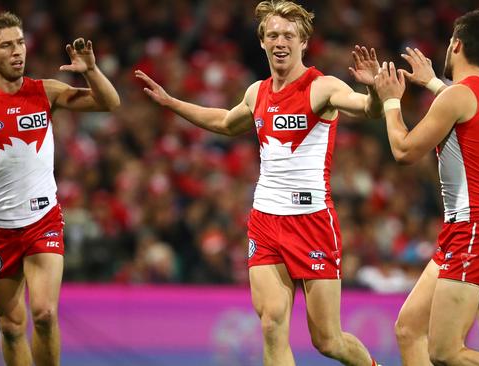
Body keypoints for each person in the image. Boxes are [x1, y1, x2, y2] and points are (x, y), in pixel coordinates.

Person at [135, 1, 383, 365]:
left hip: (312, 221)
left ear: (303, 43)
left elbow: (367, 108)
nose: (280, 41)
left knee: (327, 340)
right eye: (273, 35)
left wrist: (375, 90)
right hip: (265, 220)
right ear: (263, 43)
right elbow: (223, 121)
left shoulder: (322, 86)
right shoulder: (257, 92)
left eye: (288, 35)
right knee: (271, 324)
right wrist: (173, 103)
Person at [0, 12, 119, 365]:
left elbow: (110, 103)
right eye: (6, 46)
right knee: (12, 326)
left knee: (44, 314)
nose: (17, 52)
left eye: (20, 43)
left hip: (43, 219)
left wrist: (91, 70)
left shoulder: (45, 91)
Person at [373, 10, 479, 365]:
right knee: (408, 329)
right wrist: (434, 83)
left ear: (457, 44)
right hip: (474, 227)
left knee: (445, 352)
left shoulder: (457, 97)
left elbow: (403, 151)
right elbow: (466, 112)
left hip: (475, 228)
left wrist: (390, 100)